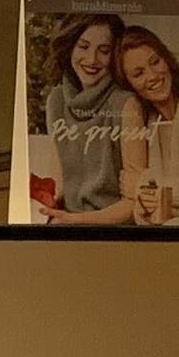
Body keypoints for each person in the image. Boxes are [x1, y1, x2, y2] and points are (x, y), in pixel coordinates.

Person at [29, 13, 129, 222]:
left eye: (104, 50)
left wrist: (77, 221)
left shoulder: (125, 103)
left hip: (112, 227)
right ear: (69, 47)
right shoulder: (56, 100)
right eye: (83, 47)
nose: (92, 59)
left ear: (115, 55)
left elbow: (133, 201)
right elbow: (60, 182)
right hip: (69, 225)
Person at [109, 26, 179, 228]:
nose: (152, 76)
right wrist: (145, 209)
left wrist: (143, 185)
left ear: (166, 59)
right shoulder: (148, 124)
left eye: (155, 62)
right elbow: (144, 211)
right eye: (138, 73)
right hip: (169, 233)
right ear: (129, 84)